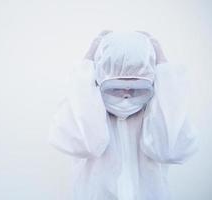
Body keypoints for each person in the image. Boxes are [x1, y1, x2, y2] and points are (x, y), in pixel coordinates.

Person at [48, 30, 198, 200]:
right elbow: (88, 144)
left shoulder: (157, 113)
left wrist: (163, 67)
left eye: (136, 87)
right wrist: (85, 67)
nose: (126, 94)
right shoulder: (83, 110)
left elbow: (169, 151)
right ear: (99, 78)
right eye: (116, 87)